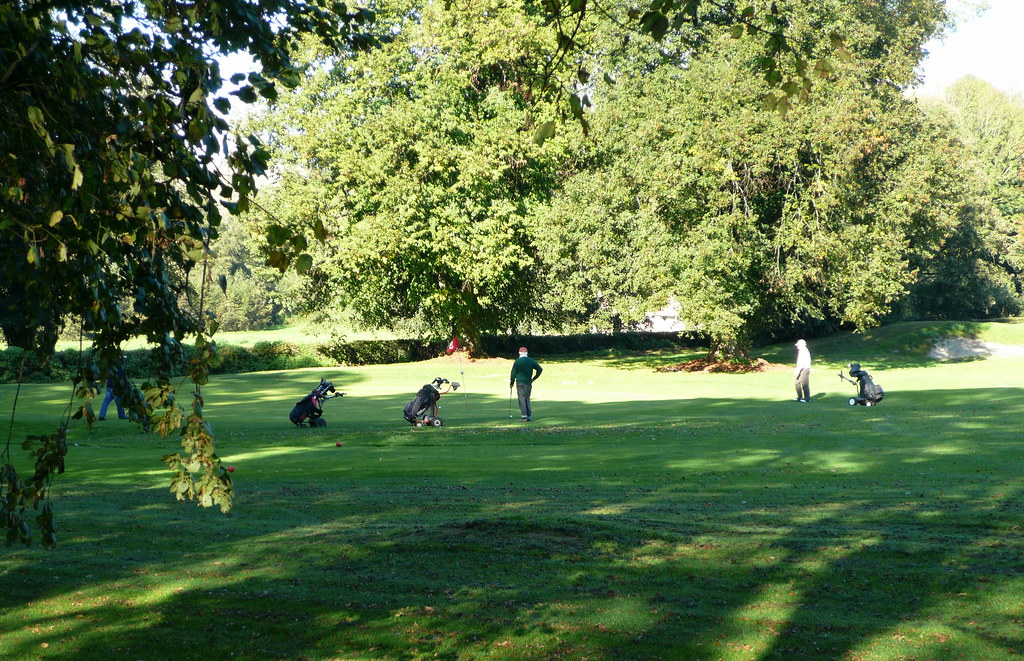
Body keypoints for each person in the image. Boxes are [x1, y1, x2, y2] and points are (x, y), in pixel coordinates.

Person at [509, 346, 543, 422]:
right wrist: (534, 378)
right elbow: (540, 369)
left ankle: (524, 417)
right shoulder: (531, 361)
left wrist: (511, 383)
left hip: (520, 382)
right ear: (527, 353)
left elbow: (513, 373)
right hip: (528, 383)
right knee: (527, 398)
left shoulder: (517, 361)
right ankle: (528, 415)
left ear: (519, 353)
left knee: (522, 399)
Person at [794, 338, 811, 402]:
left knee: (805, 384)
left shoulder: (804, 351)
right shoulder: (801, 351)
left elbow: (802, 363)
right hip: (801, 369)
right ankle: (800, 397)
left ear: (802, 345)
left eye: (798, 345)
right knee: (797, 383)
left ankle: (807, 399)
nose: (797, 346)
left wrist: (797, 371)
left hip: (805, 369)